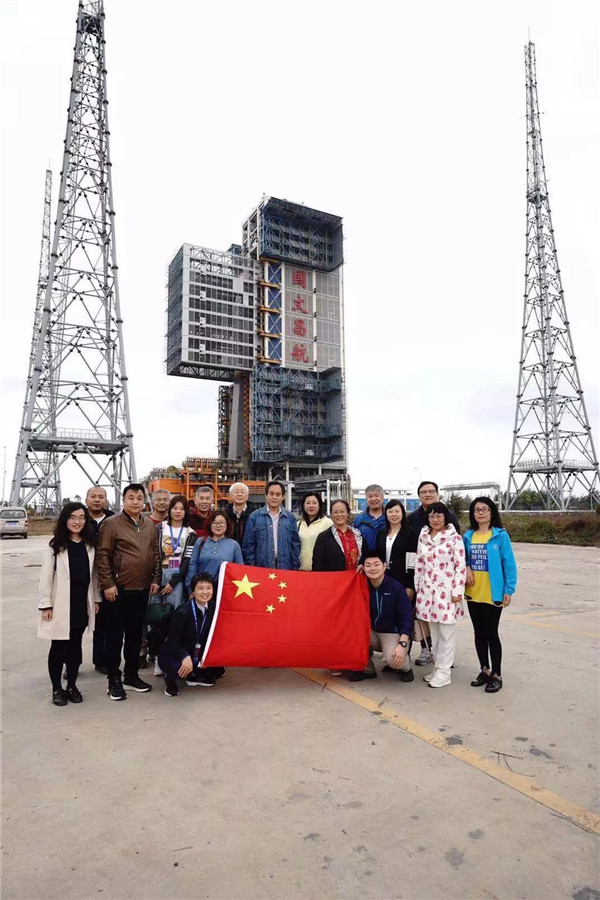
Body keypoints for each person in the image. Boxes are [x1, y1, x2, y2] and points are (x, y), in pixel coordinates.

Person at [95, 483, 161, 700]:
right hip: (118, 590)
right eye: (131, 497)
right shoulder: (111, 524)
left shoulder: (149, 524)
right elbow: (102, 555)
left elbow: (154, 553)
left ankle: (130, 675)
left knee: (134, 636)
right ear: (123, 500)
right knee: (114, 637)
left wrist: (155, 578)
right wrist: (108, 585)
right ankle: (113, 679)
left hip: (141, 589)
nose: (135, 501)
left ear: (144, 501)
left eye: (139, 498)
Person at [38, 502, 101, 706]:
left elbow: (95, 576)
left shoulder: (90, 545)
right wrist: (46, 604)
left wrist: (96, 599)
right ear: (65, 520)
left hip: (81, 602)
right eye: (73, 517)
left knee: (75, 646)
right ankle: (57, 688)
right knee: (58, 646)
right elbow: (46, 577)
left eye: (81, 517)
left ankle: (72, 685)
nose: (77, 522)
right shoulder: (55, 546)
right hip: (60, 602)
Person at [463, 497, 517, 694]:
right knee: (479, 633)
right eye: (477, 510)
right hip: (473, 593)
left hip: (493, 593)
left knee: (491, 634)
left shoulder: (500, 536)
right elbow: (463, 558)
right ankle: (484, 670)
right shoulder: (468, 536)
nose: (481, 513)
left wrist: (508, 590)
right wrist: (467, 566)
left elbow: (508, 564)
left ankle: (497, 674)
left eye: (485, 509)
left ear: (491, 512)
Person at [408, 481, 461, 666]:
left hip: (445, 585)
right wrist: (415, 581)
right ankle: (428, 651)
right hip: (425, 582)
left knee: (445, 629)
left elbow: (458, 554)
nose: (427, 494)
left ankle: (444, 664)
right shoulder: (413, 519)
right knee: (426, 620)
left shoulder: (450, 519)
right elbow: (413, 551)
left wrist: (457, 588)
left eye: (431, 491)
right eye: (423, 492)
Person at [414, 502, 466, 689]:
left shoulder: (454, 538)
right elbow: (419, 564)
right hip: (427, 593)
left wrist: (457, 592)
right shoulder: (424, 536)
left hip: (447, 593)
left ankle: (445, 672)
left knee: (446, 634)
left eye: (439, 516)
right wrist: (418, 587)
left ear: (446, 517)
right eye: (431, 516)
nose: (435, 519)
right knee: (433, 635)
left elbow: (460, 567)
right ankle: (437, 668)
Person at [349, 551, 414, 683]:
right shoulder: (362, 586)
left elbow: (407, 617)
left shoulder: (396, 587)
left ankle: (406, 668)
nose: (372, 568)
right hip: (371, 632)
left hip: (392, 633)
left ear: (384, 566)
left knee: (392, 659)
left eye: (376, 564)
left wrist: (402, 644)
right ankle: (368, 669)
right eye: (368, 565)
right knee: (349, 636)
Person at [157, 573, 220, 696]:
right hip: (174, 651)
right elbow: (172, 642)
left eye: (209, 588)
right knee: (178, 667)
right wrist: (184, 656)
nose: (205, 592)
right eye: (200, 588)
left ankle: (194, 674)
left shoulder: (212, 607)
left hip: (196, 649)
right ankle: (170, 679)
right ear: (193, 591)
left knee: (216, 669)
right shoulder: (183, 612)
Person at [86, 486, 114, 674]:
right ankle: (70, 662)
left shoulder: (113, 519)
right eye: (93, 497)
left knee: (103, 624)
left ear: (106, 500)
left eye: (101, 497)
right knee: (76, 624)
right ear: (87, 499)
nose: (97, 500)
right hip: (82, 576)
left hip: (106, 577)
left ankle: (100, 660)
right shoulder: (79, 518)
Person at [242, 481, 300, 570]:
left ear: (283, 497)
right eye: (271, 494)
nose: (274, 497)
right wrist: (252, 568)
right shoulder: (254, 517)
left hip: (285, 568)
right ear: (266, 496)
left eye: (278, 494)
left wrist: (295, 567)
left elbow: (295, 545)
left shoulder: (290, 518)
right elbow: (248, 546)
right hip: (261, 568)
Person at [185, 510, 243, 590]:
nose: (218, 525)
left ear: (227, 524)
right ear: (210, 524)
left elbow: (239, 571)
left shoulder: (234, 545)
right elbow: (193, 566)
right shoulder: (200, 542)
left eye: (222, 522)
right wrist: (190, 589)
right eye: (215, 523)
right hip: (202, 589)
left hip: (224, 590)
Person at [375, 499, 417, 597]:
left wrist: (410, 586)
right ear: (386, 514)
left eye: (397, 511)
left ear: (403, 513)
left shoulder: (410, 534)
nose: (394, 515)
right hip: (383, 577)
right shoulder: (381, 533)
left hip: (402, 579)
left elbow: (412, 562)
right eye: (390, 511)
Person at [312, 499, 364, 572]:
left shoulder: (357, 534)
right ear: (331, 515)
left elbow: (365, 555)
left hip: (355, 579)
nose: (339, 515)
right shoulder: (323, 537)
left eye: (342, 511)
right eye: (335, 512)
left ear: (348, 514)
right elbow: (317, 565)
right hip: (334, 581)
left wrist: (362, 564)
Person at [297, 491, 333, 571]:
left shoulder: (328, 523)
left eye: (314, 503)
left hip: (320, 571)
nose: (311, 506)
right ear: (303, 505)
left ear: (319, 505)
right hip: (300, 569)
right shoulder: (298, 524)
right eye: (308, 503)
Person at [353, 484, 386, 551]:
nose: (373, 499)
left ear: (382, 497)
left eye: (377, 495)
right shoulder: (359, 520)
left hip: (386, 560)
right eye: (370, 496)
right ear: (366, 499)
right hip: (364, 560)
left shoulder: (390, 518)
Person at [225, 482, 254, 546]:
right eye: (236, 492)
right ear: (230, 496)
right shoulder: (224, 515)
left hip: (248, 552)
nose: (239, 494)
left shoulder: (254, 515)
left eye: (242, 492)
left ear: (247, 496)